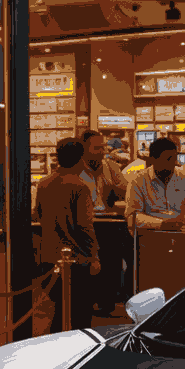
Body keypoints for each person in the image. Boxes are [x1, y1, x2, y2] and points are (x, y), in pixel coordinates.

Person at [30, 138, 100, 335]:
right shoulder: (80, 186)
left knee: (59, 310)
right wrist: (94, 257)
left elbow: (38, 215)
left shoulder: (44, 184)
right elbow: (84, 225)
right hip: (76, 259)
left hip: (49, 256)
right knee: (80, 313)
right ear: (80, 160)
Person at [79, 130, 132, 315]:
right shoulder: (76, 170)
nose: (102, 151)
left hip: (108, 222)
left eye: (103, 147)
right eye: (97, 148)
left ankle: (107, 303)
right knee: (89, 265)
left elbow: (126, 191)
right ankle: (88, 302)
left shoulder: (110, 167)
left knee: (112, 264)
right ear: (84, 148)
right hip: (86, 223)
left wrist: (115, 190)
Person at [124, 137, 185, 229]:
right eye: (167, 159)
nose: (172, 164)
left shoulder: (183, 176)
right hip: (150, 235)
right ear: (153, 160)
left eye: (174, 159)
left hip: (179, 234)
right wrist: (162, 224)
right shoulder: (138, 180)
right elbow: (132, 217)